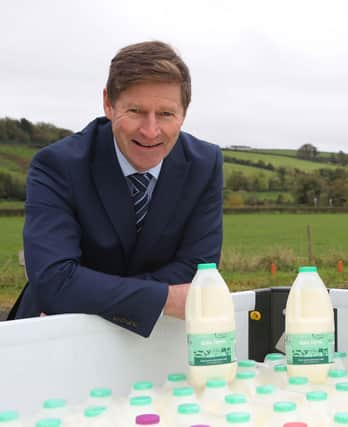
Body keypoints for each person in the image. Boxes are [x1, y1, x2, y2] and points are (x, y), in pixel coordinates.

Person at [8, 41, 223, 337]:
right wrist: (163, 298)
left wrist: (88, 291)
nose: (150, 131)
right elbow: (54, 280)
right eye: (135, 111)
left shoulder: (205, 164)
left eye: (166, 114)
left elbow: (197, 272)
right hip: (56, 333)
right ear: (108, 104)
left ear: (184, 113)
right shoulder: (56, 165)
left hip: (156, 340)